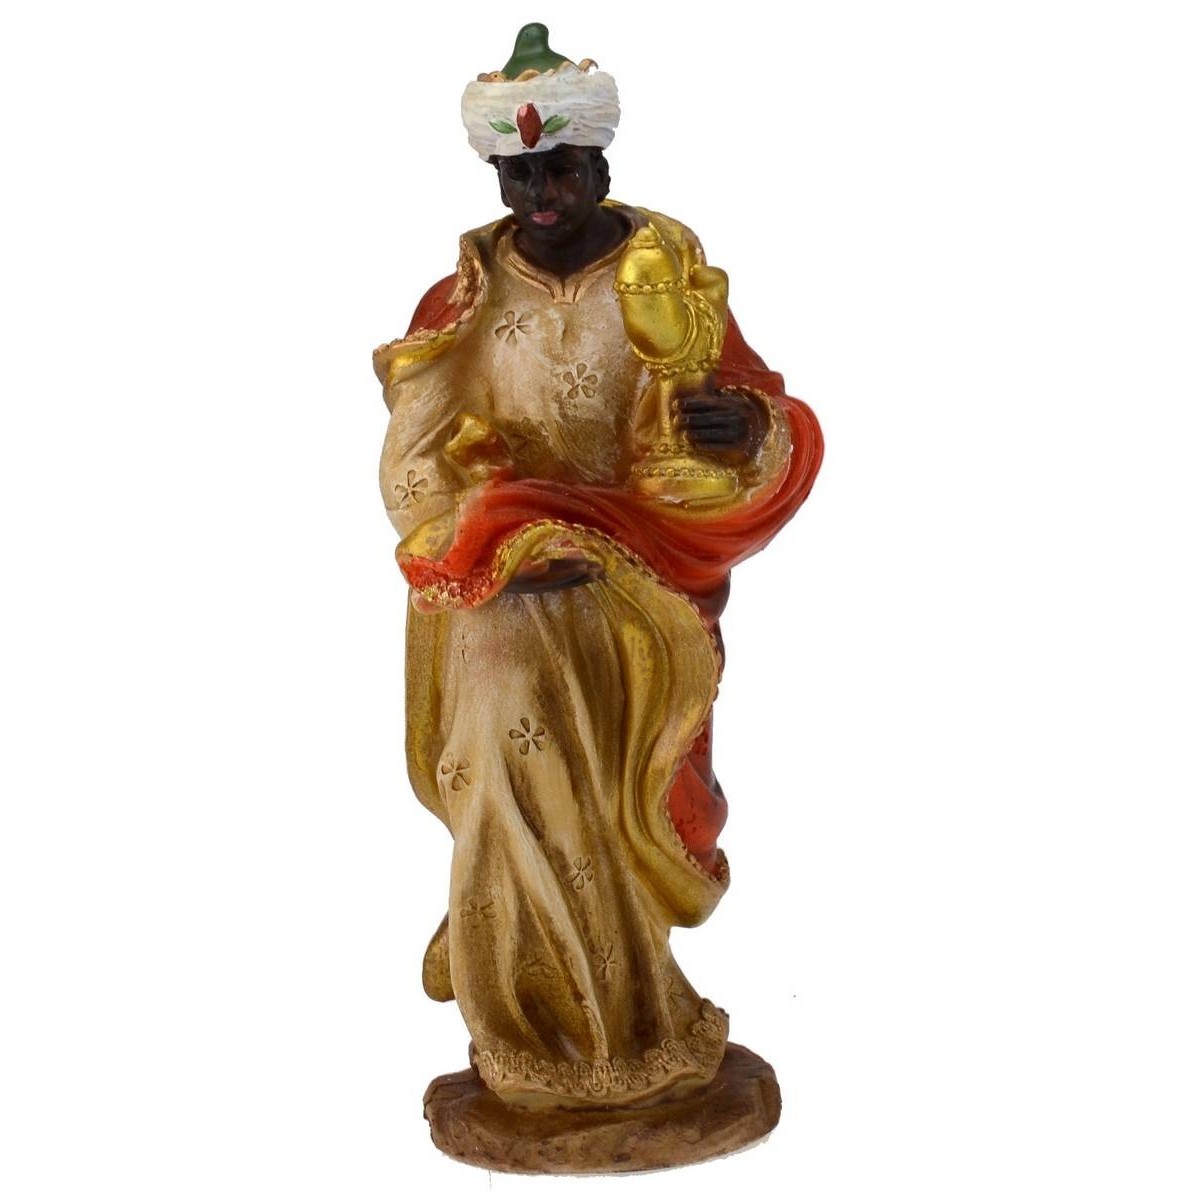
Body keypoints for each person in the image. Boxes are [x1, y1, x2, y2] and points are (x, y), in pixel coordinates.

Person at [375, 25, 822, 1109]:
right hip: (498, 584)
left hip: (630, 587)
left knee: (610, 803)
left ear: (600, 166)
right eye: (519, 173)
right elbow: (417, 463)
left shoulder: (668, 277)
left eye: (561, 170)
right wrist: (480, 537)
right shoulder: (464, 300)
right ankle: (524, 1025)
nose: (540, 195)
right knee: (495, 764)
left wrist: (740, 429)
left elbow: (753, 408)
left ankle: (631, 1020)